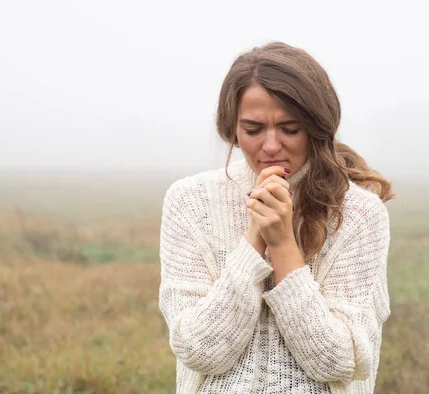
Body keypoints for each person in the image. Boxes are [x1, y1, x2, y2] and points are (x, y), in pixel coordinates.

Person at [158, 41, 394, 394]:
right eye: (253, 130)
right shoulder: (190, 201)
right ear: (232, 130)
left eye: (290, 129)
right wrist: (254, 237)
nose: (270, 146)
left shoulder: (359, 214)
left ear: (316, 127)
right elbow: (200, 351)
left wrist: (283, 243)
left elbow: (336, 361)